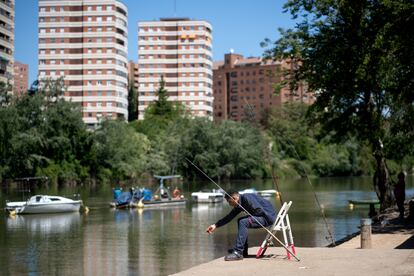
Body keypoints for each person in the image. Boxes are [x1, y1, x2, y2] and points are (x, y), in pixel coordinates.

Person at [206, 190, 276, 261]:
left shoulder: (246, 198)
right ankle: (243, 251)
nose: (229, 204)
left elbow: (260, 210)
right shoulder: (240, 203)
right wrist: (215, 225)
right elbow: (229, 217)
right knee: (240, 220)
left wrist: (250, 214)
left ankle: (238, 253)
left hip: (267, 217)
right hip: (264, 216)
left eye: (229, 201)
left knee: (243, 222)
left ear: (234, 198)